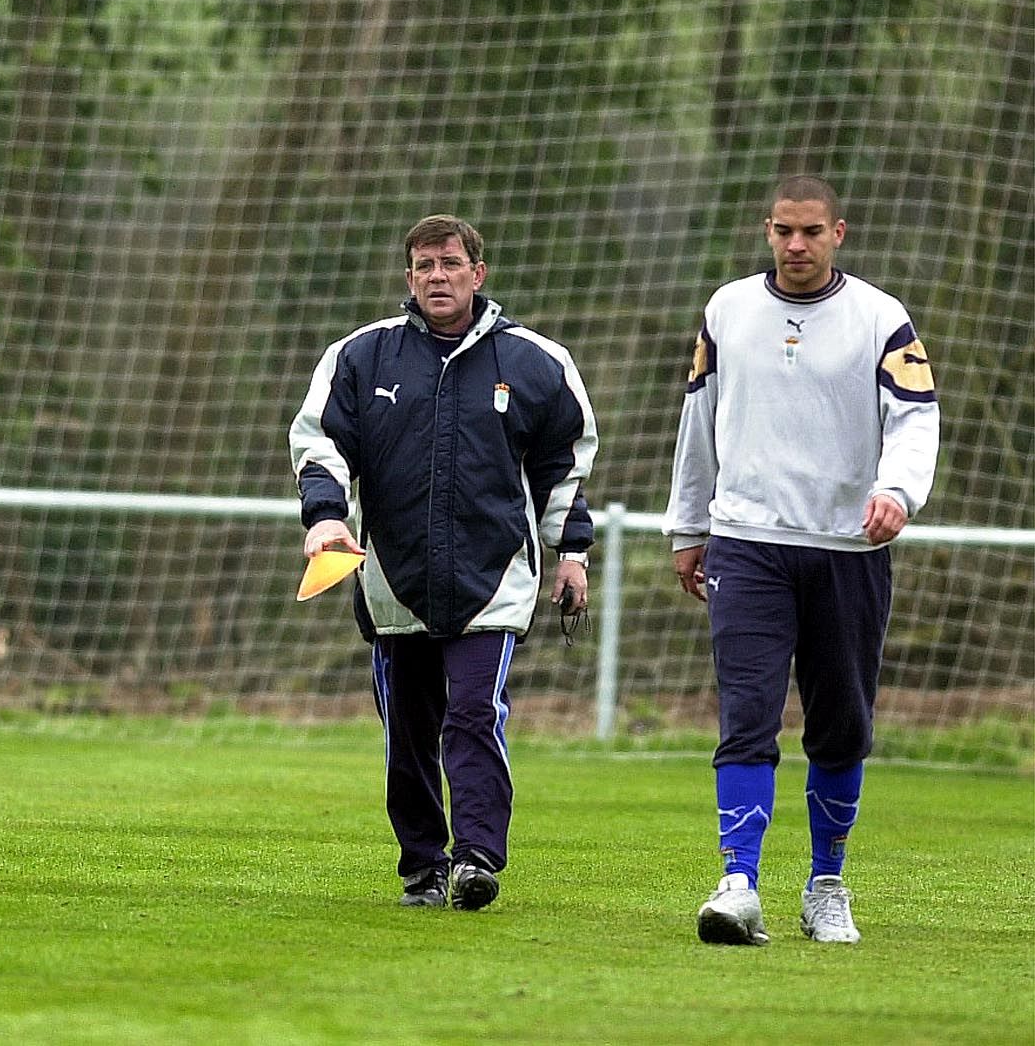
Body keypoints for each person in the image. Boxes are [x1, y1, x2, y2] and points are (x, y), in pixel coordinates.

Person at [289, 214, 598, 910]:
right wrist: (326, 518)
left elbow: (564, 467)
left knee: (472, 714)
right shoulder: (360, 358)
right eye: (424, 265)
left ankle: (477, 859)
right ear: (408, 278)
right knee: (407, 731)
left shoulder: (535, 362)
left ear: (477, 274)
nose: (437, 276)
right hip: (391, 580)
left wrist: (570, 553)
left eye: (450, 264)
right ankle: (422, 865)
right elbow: (320, 447)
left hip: (493, 580)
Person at [662, 175, 939, 945]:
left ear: (838, 233)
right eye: (782, 231)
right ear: (766, 230)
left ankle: (825, 884)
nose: (795, 246)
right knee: (746, 714)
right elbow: (698, 419)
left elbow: (914, 418)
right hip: (746, 542)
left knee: (841, 723)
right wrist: (688, 526)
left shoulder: (880, 318)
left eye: (810, 232)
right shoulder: (727, 310)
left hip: (846, 549)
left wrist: (897, 492)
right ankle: (737, 883)